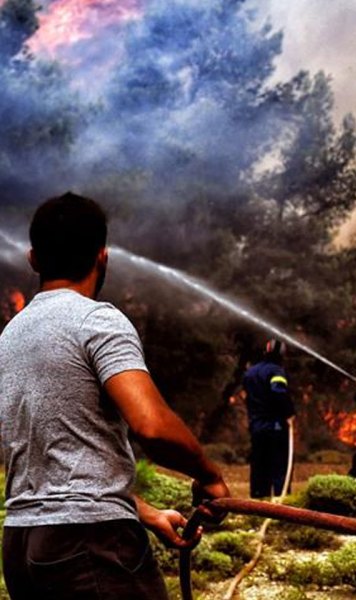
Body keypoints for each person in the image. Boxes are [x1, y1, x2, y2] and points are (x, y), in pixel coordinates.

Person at [0, 192, 230, 600]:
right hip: (90, 544)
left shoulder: (10, 338)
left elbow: (54, 466)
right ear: (102, 256)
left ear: (33, 259)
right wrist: (209, 475)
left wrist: (144, 512)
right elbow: (152, 426)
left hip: (22, 545)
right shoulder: (97, 320)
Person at [243, 338, 295, 498]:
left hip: (256, 427)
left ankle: (259, 501)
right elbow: (278, 392)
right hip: (275, 426)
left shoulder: (250, 372)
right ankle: (282, 504)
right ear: (282, 355)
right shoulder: (276, 371)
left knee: (259, 465)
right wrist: (289, 413)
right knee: (280, 466)